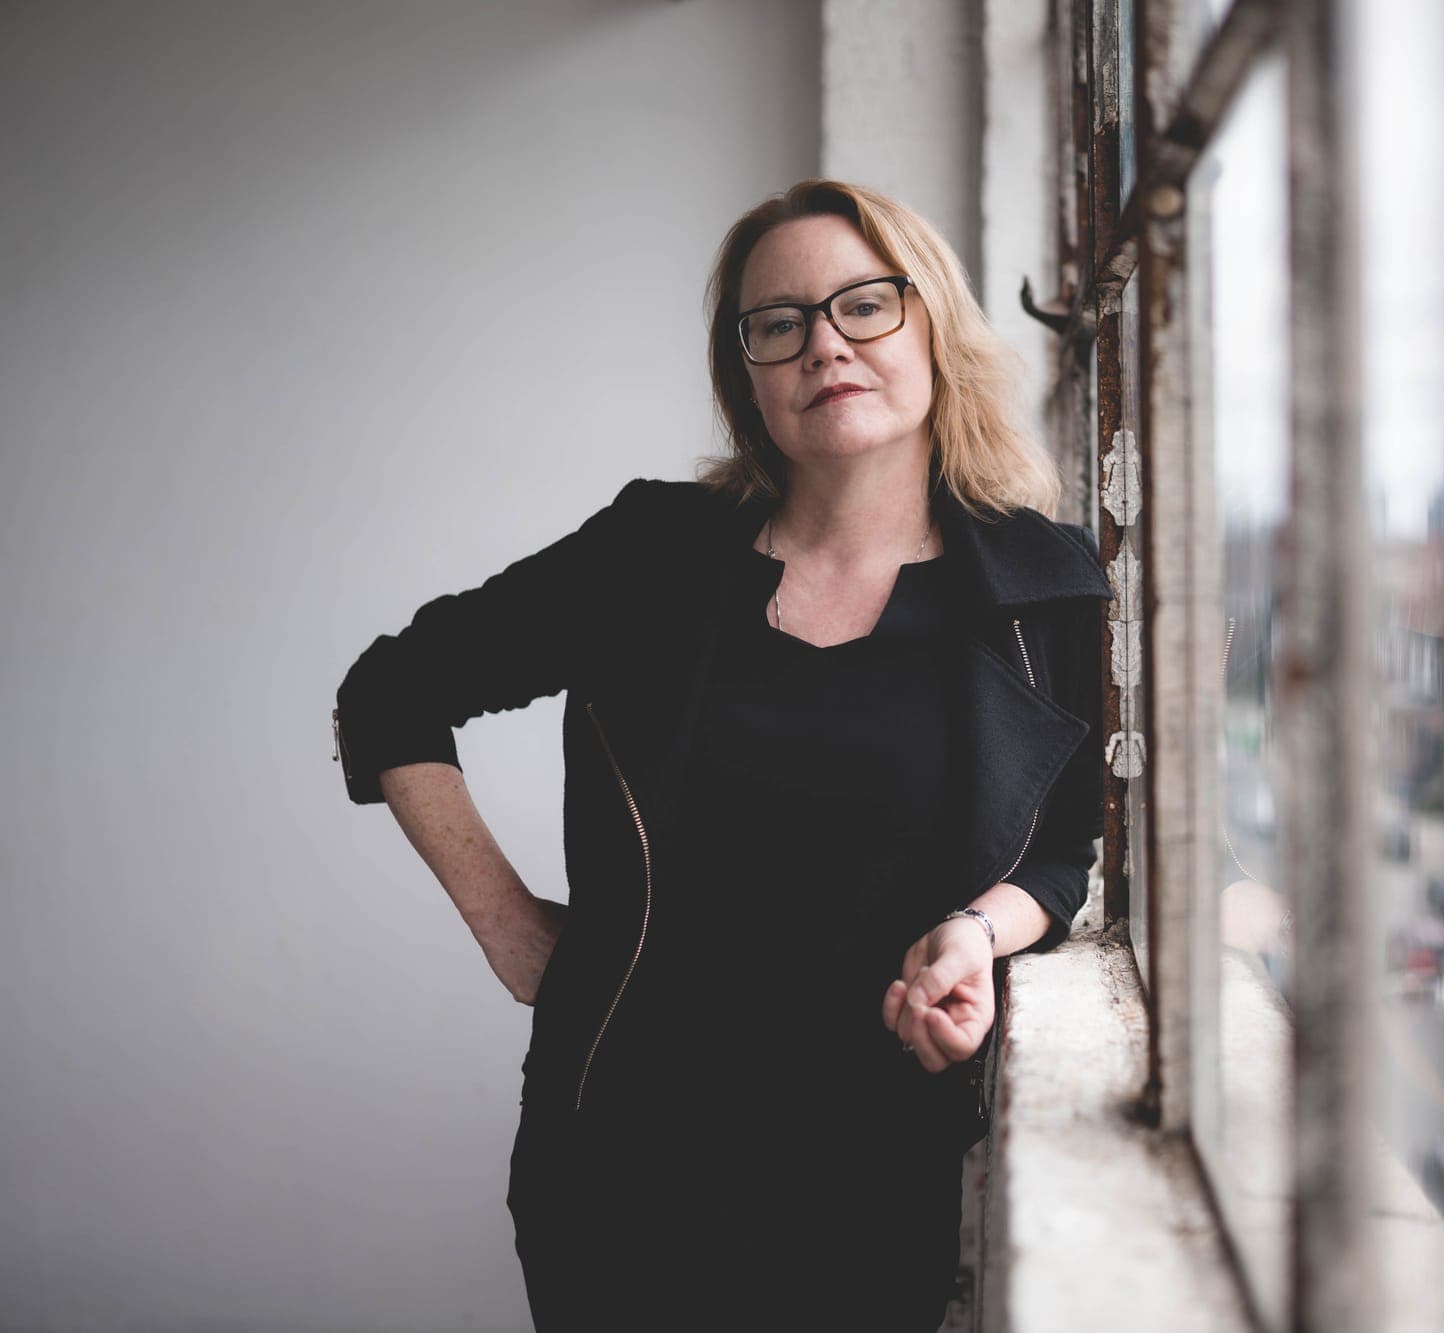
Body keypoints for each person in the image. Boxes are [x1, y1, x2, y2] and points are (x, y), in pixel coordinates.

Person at [332, 178, 1111, 1329]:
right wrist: (505, 923)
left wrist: (977, 934)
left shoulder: (1041, 589)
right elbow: (392, 690)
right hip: (618, 1168)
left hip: (881, 1165)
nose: (822, 345)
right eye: (778, 322)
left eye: (863, 305)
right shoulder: (651, 554)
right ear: (744, 368)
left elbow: (1062, 849)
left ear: (931, 321)